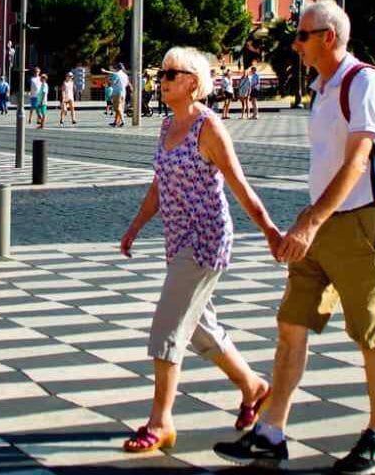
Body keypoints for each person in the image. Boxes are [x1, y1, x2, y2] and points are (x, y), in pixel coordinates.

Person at [214, 0, 375, 473]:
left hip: (357, 225)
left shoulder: (364, 83)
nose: (294, 44)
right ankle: (272, 432)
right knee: (291, 324)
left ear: (328, 38)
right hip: (318, 226)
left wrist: (311, 221)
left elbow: (358, 161)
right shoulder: (324, 87)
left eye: (302, 36)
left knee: (368, 332)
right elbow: (328, 163)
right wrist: (309, 219)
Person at [120, 46, 279, 454]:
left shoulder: (208, 127)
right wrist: (135, 227)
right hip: (177, 239)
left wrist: (270, 230)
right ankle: (254, 386)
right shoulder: (167, 126)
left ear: (193, 82)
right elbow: (159, 185)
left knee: (168, 327)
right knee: (202, 329)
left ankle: (161, 421)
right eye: (162, 74)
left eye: (170, 74)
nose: (162, 80)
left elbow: (238, 183)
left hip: (206, 239)